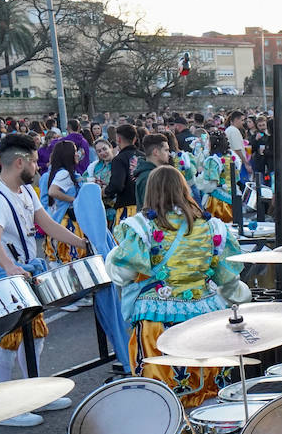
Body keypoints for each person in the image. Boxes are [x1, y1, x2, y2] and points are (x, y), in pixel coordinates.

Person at [0, 133, 86, 425]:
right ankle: (4, 407)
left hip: (23, 270)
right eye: (34, 162)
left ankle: (33, 395)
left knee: (34, 336)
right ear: (19, 162)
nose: (38, 167)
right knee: (4, 342)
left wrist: (84, 244)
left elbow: (46, 224)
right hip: (1, 273)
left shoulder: (27, 192)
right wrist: (9, 267)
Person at [106, 165, 246, 408]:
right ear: (184, 189)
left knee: (161, 398)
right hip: (205, 316)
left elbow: (123, 273)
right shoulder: (212, 226)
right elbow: (228, 279)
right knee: (206, 391)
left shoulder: (141, 227)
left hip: (156, 321)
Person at [42, 140, 85, 262]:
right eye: (75, 151)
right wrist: (74, 200)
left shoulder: (54, 173)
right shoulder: (64, 174)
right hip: (67, 225)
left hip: (57, 224)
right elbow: (53, 192)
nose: (78, 154)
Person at [105, 124, 142, 226]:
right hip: (145, 209)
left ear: (119, 139)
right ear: (134, 139)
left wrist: (105, 191)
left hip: (127, 210)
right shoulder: (143, 156)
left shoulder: (119, 159)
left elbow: (117, 185)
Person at [134, 132, 170, 207]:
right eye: (166, 150)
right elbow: (150, 209)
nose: (169, 154)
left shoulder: (154, 172)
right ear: (156, 152)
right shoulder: (148, 176)